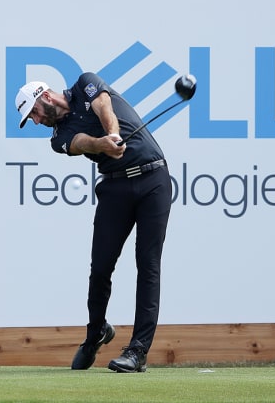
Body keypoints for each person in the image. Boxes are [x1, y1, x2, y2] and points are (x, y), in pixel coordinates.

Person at [15, 72, 172, 373]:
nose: (35, 121)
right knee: (101, 267)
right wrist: (104, 144)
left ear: (45, 96)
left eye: (33, 113)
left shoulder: (84, 83)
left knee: (148, 264)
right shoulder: (58, 138)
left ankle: (138, 351)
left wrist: (112, 133)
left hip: (154, 180)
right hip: (114, 188)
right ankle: (95, 333)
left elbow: (104, 106)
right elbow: (82, 142)